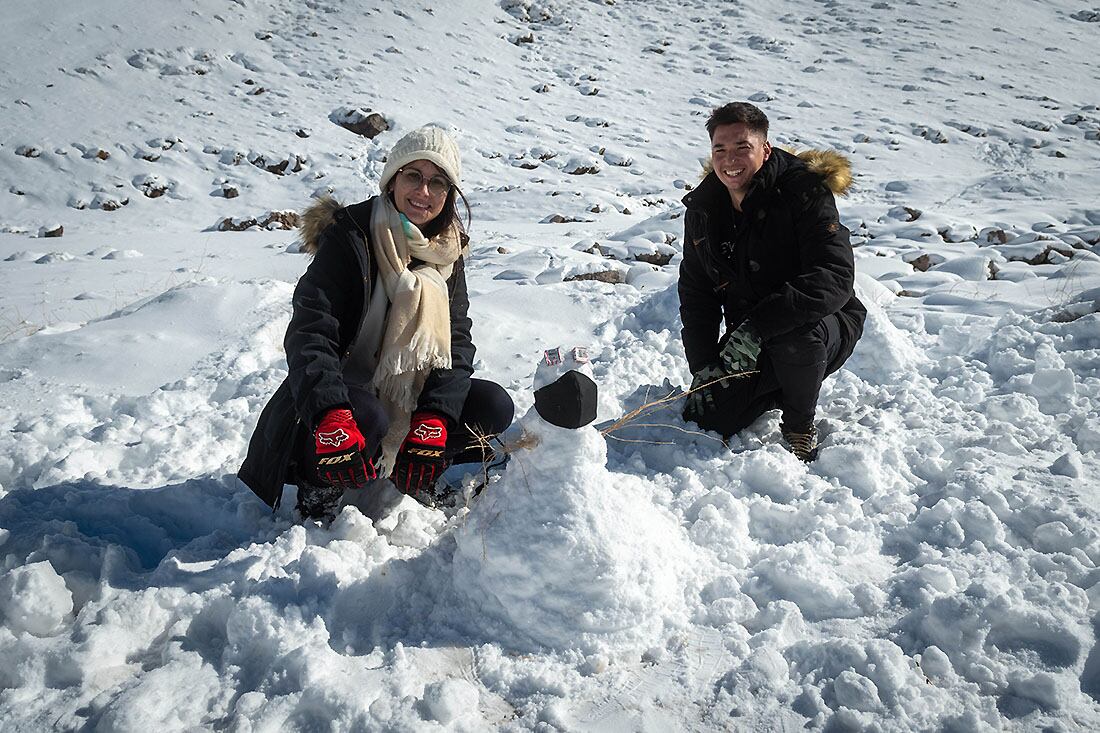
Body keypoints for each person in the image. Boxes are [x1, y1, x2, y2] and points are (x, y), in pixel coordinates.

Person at [239, 125, 514, 519]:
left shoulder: (446, 252)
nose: (424, 192)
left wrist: (435, 417)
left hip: (406, 394)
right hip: (335, 399)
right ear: (393, 179)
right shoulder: (351, 236)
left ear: (448, 195)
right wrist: (330, 410)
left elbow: (456, 341)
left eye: (437, 182)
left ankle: (415, 472)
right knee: (366, 414)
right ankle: (320, 489)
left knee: (493, 405)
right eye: (413, 176)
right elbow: (311, 332)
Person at [678, 102, 866, 461]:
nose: (729, 159)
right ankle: (781, 382)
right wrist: (704, 365)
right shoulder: (704, 209)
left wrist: (757, 328)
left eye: (742, 147)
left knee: (794, 335)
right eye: (720, 149)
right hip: (748, 337)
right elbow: (696, 292)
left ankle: (799, 423)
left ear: (765, 149)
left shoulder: (803, 191)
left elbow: (835, 275)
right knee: (707, 416)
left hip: (823, 326)